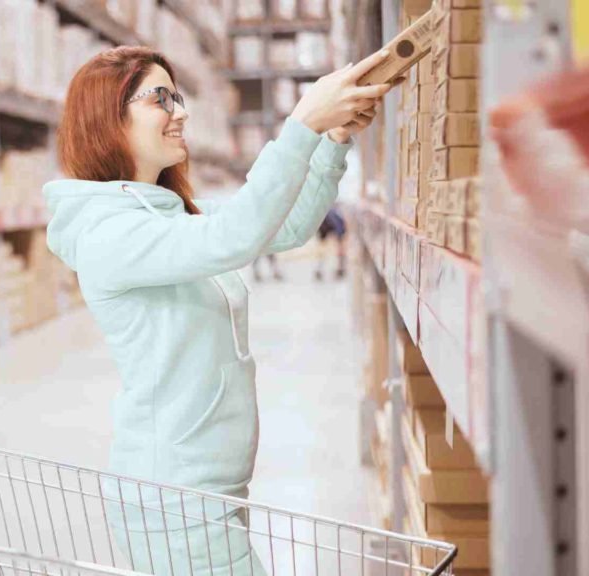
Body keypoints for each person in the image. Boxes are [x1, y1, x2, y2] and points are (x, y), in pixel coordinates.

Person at [44, 46, 391, 576]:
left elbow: (286, 227)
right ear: (106, 117)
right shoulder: (108, 232)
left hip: (207, 492)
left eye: (177, 96)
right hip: (174, 499)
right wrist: (300, 124)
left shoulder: (167, 215)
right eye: (160, 98)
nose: (179, 111)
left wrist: (334, 140)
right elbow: (236, 237)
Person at [314, 205, 347, 281]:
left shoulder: (332, 212)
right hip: (330, 222)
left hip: (325, 221)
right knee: (338, 246)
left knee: (323, 246)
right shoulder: (336, 214)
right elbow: (341, 231)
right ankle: (339, 268)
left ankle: (319, 268)